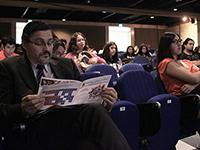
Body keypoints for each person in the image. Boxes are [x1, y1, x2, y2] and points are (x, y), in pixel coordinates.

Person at [0, 21, 131, 150]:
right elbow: (2, 110)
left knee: (91, 143)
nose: (46, 48)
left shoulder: (66, 65)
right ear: (24, 44)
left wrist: (104, 102)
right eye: (39, 43)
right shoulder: (9, 67)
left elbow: (81, 98)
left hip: (69, 126)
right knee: (93, 115)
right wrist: (22, 109)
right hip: (34, 128)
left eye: (50, 43)